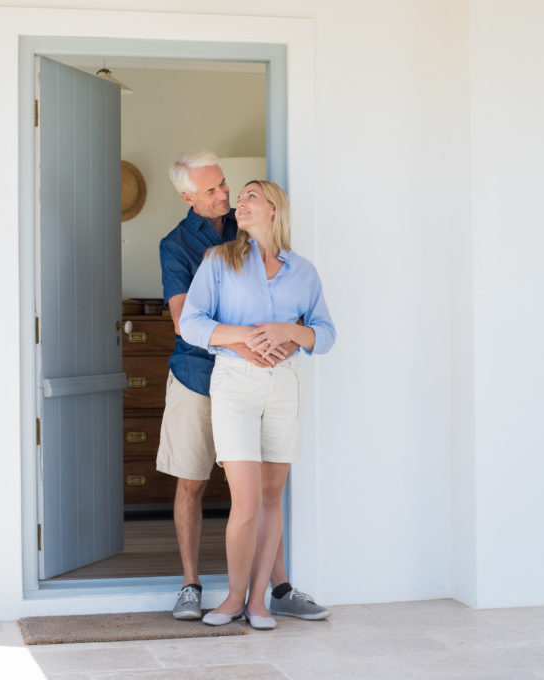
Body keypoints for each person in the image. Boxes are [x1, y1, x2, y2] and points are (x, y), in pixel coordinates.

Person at [158, 151, 329, 623]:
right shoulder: (178, 246)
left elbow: (303, 320)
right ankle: (192, 584)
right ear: (188, 196)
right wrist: (247, 341)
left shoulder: (253, 230)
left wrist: (287, 338)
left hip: (268, 376)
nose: (227, 196)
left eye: (227, 186)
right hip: (199, 374)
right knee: (192, 480)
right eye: (212, 191)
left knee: (262, 494)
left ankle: (276, 589)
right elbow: (183, 321)